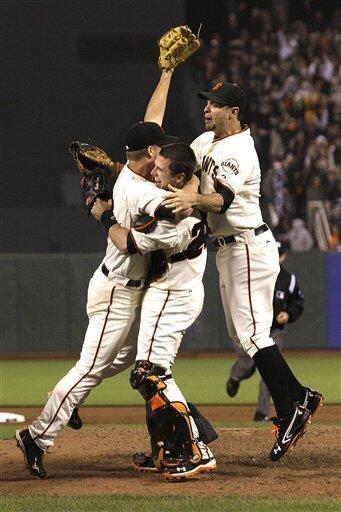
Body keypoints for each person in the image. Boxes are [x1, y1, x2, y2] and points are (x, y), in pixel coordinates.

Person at [152, 74, 322, 461]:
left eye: (213, 104)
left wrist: (190, 197)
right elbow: (168, 156)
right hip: (229, 249)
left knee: (251, 334)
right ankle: (301, 397)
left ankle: (289, 410)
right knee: (241, 334)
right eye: (205, 102)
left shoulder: (240, 150)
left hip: (246, 245)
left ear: (234, 112)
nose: (206, 109)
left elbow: (220, 201)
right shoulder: (205, 142)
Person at [15, 120, 180, 480]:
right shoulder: (139, 191)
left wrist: (112, 169)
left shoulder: (127, 179)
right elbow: (166, 211)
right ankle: (36, 437)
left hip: (127, 290)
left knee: (134, 357)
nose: (165, 154)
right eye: (160, 149)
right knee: (89, 368)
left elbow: (135, 165)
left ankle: (69, 396)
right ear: (151, 153)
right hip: (117, 292)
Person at [91, 142, 217, 481]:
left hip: (173, 295)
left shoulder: (173, 219)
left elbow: (126, 241)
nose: (153, 173)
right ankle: (166, 446)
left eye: (160, 170)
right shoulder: (182, 194)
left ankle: (196, 448)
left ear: (178, 178)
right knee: (150, 374)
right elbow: (189, 176)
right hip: (172, 291)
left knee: (151, 373)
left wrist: (102, 213)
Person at [226, 241, 306, 421]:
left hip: (274, 332)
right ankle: (235, 376)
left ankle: (261, 413)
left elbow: (298, 303)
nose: (274, 256)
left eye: (278, 254)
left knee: (271, 372)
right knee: (247, 364)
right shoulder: (254, 273)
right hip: (252, 329)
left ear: (283, 257)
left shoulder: (288, 279)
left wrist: (288, 312)